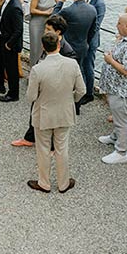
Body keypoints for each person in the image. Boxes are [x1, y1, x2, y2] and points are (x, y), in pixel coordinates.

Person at [25, 31, 85, 194]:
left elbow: (31, 96)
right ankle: (63, 183)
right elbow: (82, 90)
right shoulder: (72, 64)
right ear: (59, 45)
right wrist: (70, 100)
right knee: (62, 148)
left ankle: (44, 182)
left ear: (43, 47)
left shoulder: (38, 69)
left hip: (44, 114)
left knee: (43, 149)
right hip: (64, 112)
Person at [12, 15, 78, 147]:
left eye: (48, 28)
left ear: (58, 32)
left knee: (53, 119)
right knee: (34, 113)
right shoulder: (49, 42)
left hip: (54, 91)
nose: (44, 31)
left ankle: (53, 146)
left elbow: (72, 73)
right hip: (42, 88)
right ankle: (30, 138)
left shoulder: (67, 51)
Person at [98, 13, 127, 164]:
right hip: (115, 86)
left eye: (119, 23)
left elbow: (126, 70)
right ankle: (114, 137)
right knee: (117, 115)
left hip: (122, 89)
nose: (116, 26)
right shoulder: (126, 39)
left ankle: (121, 151)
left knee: (122, 120)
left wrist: (110, 60)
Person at [52, 0, 97, 89]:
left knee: (64, 73)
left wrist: (60, 2)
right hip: (82, 46)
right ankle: (79, 95)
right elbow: (93, 31)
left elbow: (52, 19)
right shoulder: (92, 10)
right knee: (79, 71)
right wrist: (86, 42)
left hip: (67, 47)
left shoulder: (68, 11)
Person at [28, 0, 59, 68]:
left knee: (47, 46)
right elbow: (32, 10)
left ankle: (45, 68)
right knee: (35, 47)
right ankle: (33, 68)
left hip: (49, 22)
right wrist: (45, 12)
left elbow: (58, 5)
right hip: (37, 21)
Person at [83, 0, 106, 104]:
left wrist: (85, 40)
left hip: (90, 41)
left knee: (88, 66)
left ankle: (89, 93)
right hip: (82, 39)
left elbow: (96, 26)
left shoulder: (99, 3)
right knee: (81, 65)